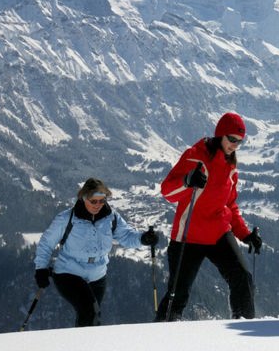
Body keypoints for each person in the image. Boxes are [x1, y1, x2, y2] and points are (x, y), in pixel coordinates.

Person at [155, 112, 262, 322]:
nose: (235, 145)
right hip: (188, 236)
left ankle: (244, 329)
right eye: (232, 139)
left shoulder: (231, 167)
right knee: (178, 294)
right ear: (220, 134)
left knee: (242, 279)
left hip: (218, 233)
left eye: (240, 141)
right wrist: (187, 181)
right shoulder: (195, 156)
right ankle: (162, 336)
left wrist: (245, 235)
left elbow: (229, 205)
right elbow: (167, 191)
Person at [34, 178, 160, 327]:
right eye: (94, 201)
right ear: (84, 198)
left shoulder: (111, 217)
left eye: (102, 201)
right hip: (68, 272)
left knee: (92, 317)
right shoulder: (66, 219)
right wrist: (41, 268)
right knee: (89, 312)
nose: (98, 205)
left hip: (98, 275)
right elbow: (46, 243)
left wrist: (143, 239)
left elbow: (126, 236)